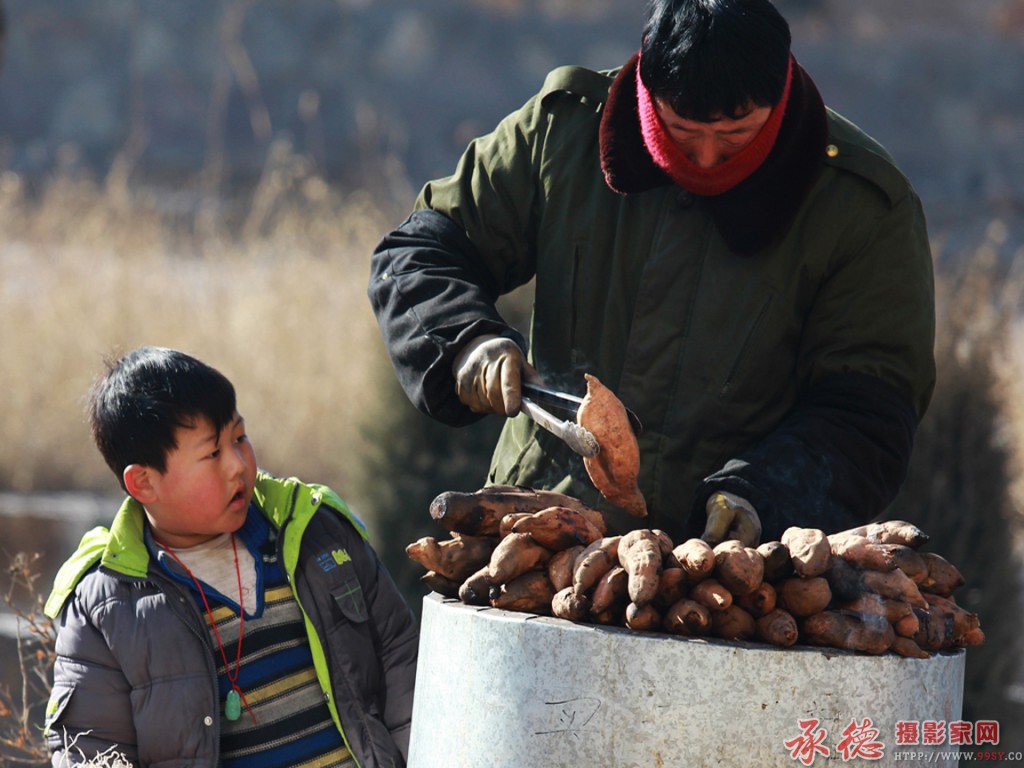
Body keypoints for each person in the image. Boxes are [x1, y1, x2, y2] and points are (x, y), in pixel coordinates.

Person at [368, 0, 936, 548]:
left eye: (737, 135)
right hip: (537, 544)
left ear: (780, 95)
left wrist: (759, 498)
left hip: (735, 580)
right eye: (683, 133)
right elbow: (418, 252)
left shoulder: (863, 205)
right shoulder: (564, 133)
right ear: (648, 90)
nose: (708, 159)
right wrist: (466, 340)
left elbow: (868, 414)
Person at [43, 346, 417, 767]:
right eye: (213, 453)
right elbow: (93, 751)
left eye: (240, 437)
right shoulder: (107, 605)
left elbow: (400, 653)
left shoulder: (312, 530)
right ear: (144, 483)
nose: (238, 465)